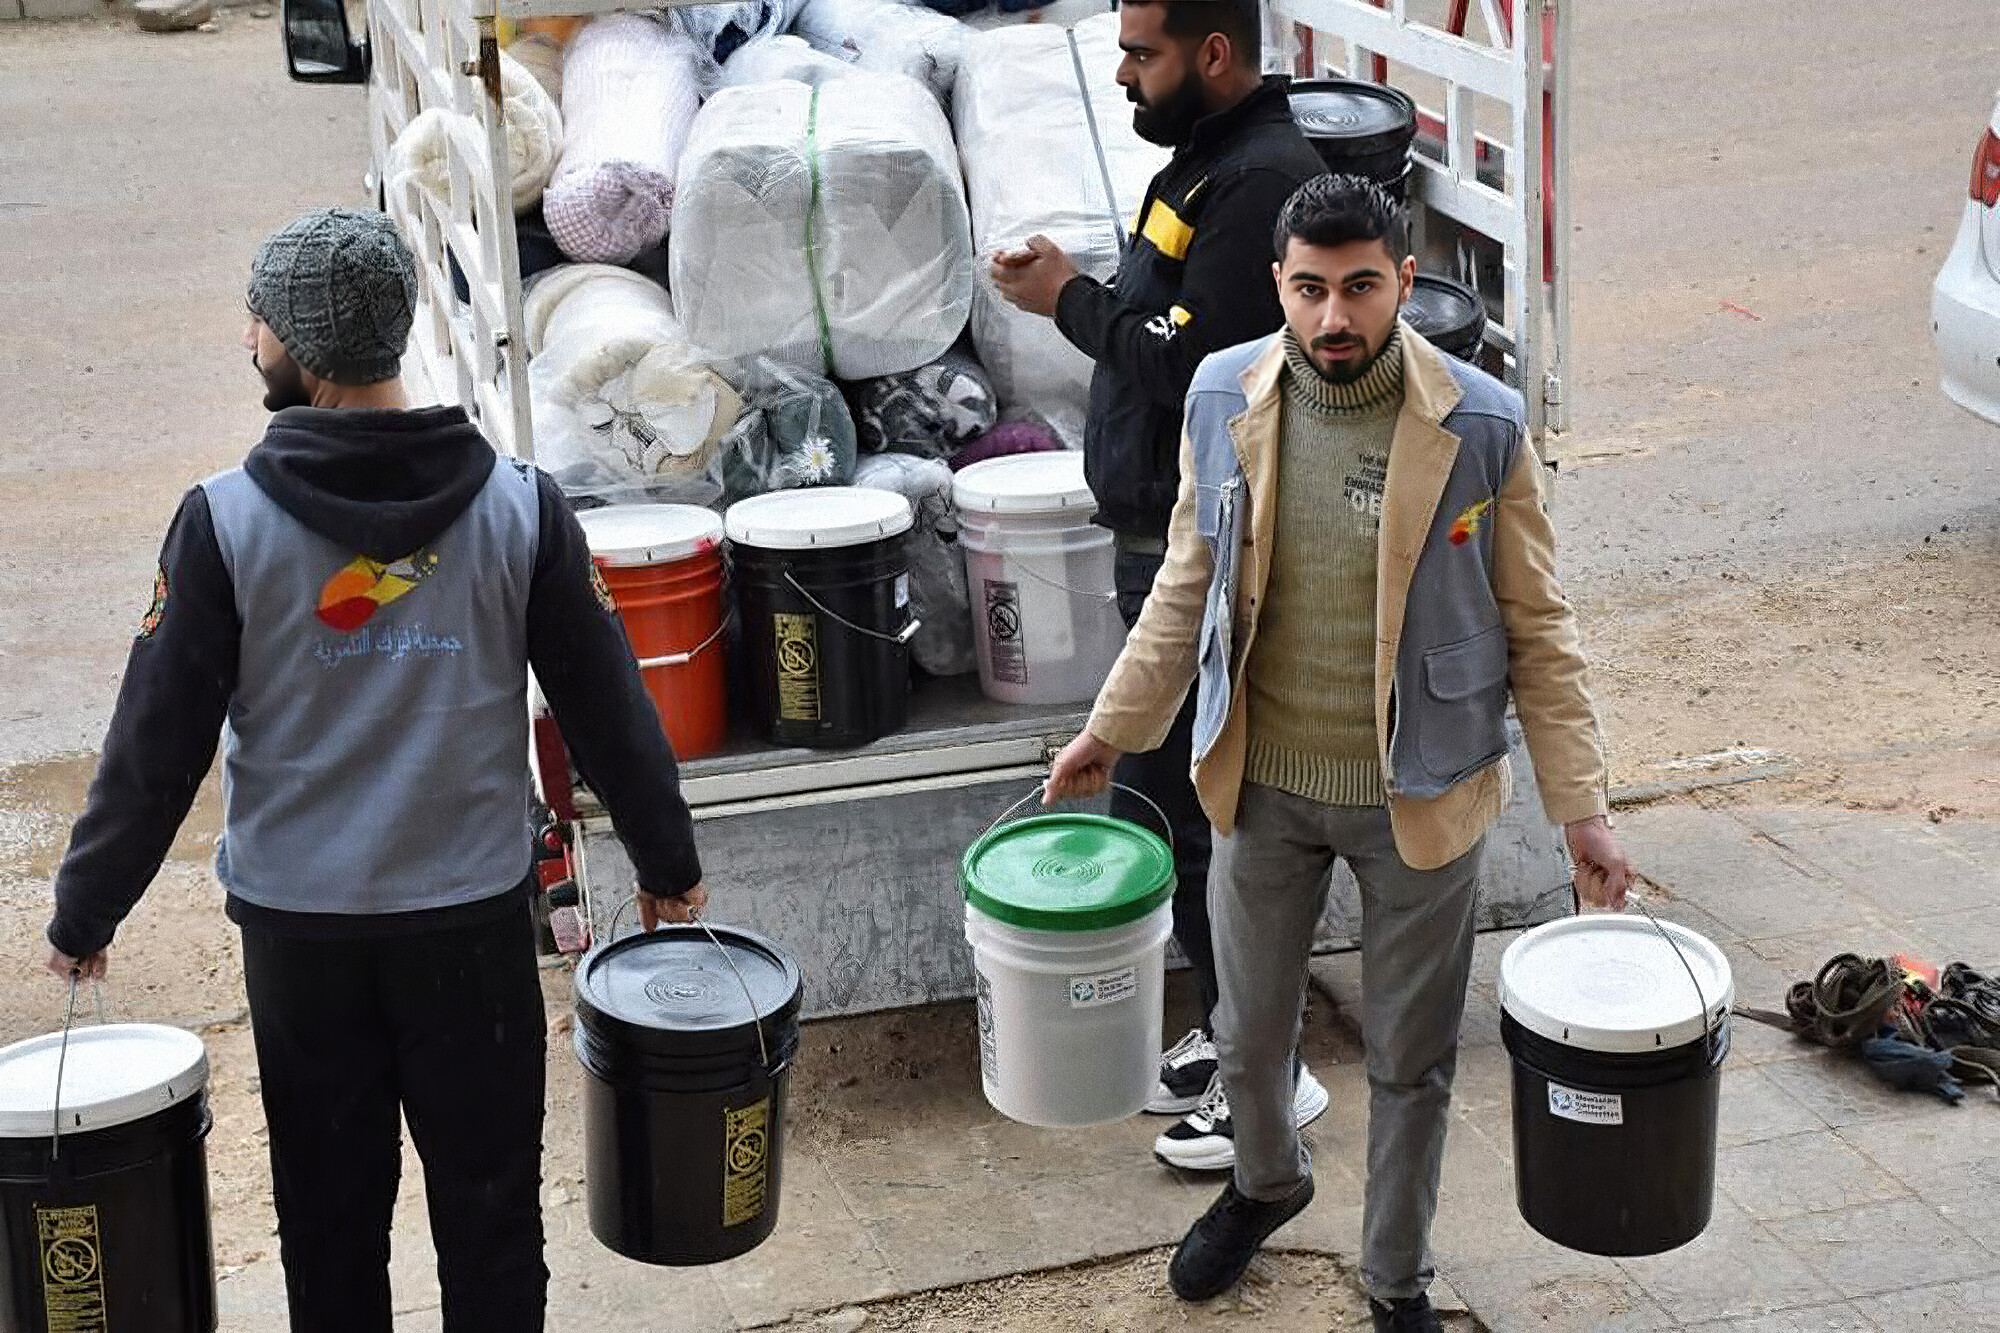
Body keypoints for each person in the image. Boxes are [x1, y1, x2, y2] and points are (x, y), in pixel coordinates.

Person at [41, 207, 706, 1333]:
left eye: (259, 320)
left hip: (305, 941)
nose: (248, 338)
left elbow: (154, 748)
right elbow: (607, 706)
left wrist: (86, 910)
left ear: (302, 344)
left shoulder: (224, 523)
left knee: (331, 1222)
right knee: (492, 1217)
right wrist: (667, 859)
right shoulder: (515, 506)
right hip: (471, 928)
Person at [1043, 175, 1632, 1331]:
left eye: (1359, 287)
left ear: (1404, 283)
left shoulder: (1479, 422)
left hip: (1422, 794)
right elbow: (1184, 581)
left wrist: (1583, 811)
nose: (1331, 319)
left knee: (1412, 1062)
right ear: (1275, 284)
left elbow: (1538, 627)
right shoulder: (1220, 395)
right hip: (1258, 784)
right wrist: (1109, 730)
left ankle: (1396, 1277)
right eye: (1307, 289)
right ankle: (1266, 1181)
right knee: (1246, 1038)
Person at [990, 0, 1328, 1168]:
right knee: (1174, 807)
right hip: (1162, 538)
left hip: (1209, 550)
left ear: (1212, 55)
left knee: (1200, 818)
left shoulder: (1257, 185)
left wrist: (1066, 300)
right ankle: (1236, 1033)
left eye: (1142, 53)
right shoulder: (1201, 164)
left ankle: (1266, 1077)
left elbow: (1182, 353)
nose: (1125, 74)